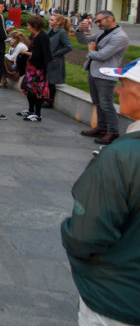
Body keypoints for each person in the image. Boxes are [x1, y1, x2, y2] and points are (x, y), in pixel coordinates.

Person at [61, 58, 140, 326]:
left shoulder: (123, 156)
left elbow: (87, 233)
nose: (118, 90)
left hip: (116, 299)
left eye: (124, 84)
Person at [76, 11, 131, 145]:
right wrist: (79, 30)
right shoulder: (102, 32)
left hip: (107, 75)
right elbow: (84, 40)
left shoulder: (120, 36)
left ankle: (112, 132)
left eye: (100, 21)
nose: (98, 24)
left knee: (106, 104)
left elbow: (103, 55)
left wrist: (91, 51)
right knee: (97, 102)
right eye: (96, 22)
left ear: (110, 18)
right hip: (94, 71)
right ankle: (101, 127)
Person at [18, 15, 52, 123]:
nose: (27, 27)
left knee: (37, 90)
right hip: (31, 67)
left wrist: (25, 53)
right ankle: (30, 109)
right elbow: (31, 46)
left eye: (28, 25)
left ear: (34, 26)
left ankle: (37, 114)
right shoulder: (35, 35)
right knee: (30, 90)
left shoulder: (42, 37)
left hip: (38, 68)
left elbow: (39, 54)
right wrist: (22, 36)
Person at [46, 13, 74, 108]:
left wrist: (55, 53)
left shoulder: (61, 33)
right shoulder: (50, 31)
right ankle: (46, 98)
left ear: (58, 22)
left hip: (55, 60)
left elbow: (68, 47)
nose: (50, 21)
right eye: (50, 19)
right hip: (48, 59)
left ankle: (50, 101)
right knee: (47, 79)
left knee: (51, 81)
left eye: (52, 20)